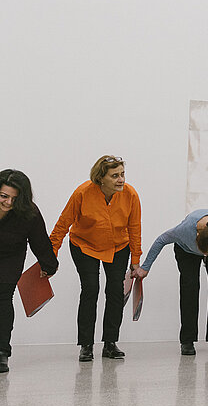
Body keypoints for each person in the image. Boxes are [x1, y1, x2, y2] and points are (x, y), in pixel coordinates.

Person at [50, 155, 141, 362]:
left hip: (118, 246)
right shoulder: (82, 193)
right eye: (115, 175)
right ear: (101, 178)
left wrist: (135, 259)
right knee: (91, 289)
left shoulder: (130, 195)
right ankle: (86, 345)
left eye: (122, 174)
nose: (121, 180)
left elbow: (135, 228)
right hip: (84, 245)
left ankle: (110, 343)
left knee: (115, 291)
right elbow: (62, 224)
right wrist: (51, 254)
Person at [133, 209, 208, 355]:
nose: (204, 256)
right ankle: (187, 341)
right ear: (196, 235)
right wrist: (145, 268)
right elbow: (161, 240)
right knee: (189, 289)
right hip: (186, 251)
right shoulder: (185, 230)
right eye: (203, 252)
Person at [0, 170, 59, 373]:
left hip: (10, 258)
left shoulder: (29, 212)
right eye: (3, 196)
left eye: (14, 199)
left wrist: (49, 265)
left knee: (3, 297)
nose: (8, 203)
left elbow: (40, 241)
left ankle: (1, 353)